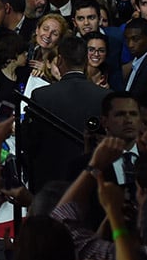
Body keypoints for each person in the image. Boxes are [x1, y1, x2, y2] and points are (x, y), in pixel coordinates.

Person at [22, 35, 110, 188]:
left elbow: (30, 140)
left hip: (50, 182)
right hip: (91, 183)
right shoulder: (105, 96)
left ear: (60, 60)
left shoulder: (41, 95)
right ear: (85, 60)